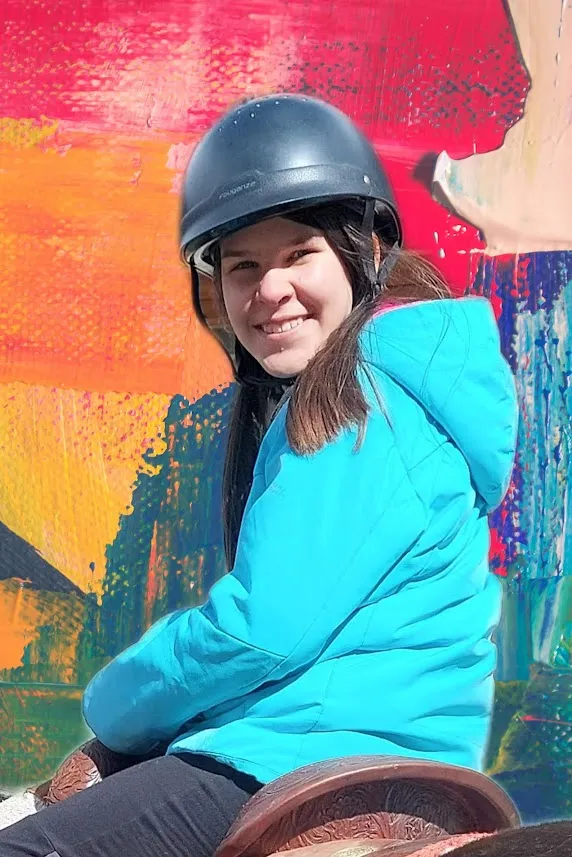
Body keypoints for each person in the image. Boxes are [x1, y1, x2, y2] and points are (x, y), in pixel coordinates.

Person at [0, 94, 518, 857]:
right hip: (380, 744)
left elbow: (261, 631)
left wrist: (111, 700)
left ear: (367, 250)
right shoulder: (402, 384)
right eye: (244, 265)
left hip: (300, 751)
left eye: (298, 253)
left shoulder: (359, 398)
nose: (269, 288)